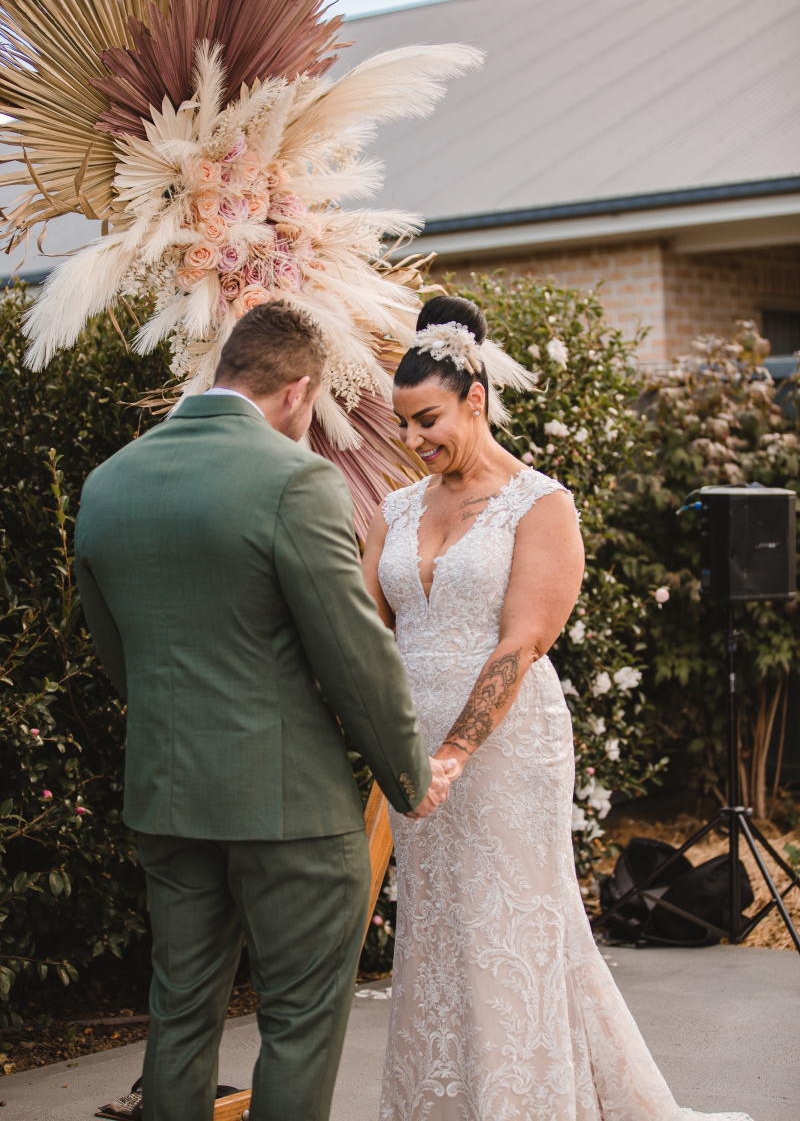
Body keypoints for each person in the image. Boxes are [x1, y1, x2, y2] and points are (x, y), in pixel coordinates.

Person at [362, 296, 754, 1121]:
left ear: (475, 398)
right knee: (435, 924)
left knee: (509, 923)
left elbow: (523, 641)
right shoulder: (396, 509)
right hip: (411, 749)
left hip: (505, 749)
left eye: (427, 419)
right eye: (403, 425)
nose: (414, 439)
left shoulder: (540, 504)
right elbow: (366, 628)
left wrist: (454, 753)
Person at [74, 302, 453, 1121]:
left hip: (168, 796)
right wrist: (408, 775)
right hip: (290, 808)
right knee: (298, 1019)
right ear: (298, 391)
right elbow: (353, 654)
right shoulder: (295, 480)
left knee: (179, 1011)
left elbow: (119, 656)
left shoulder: (107, 484)